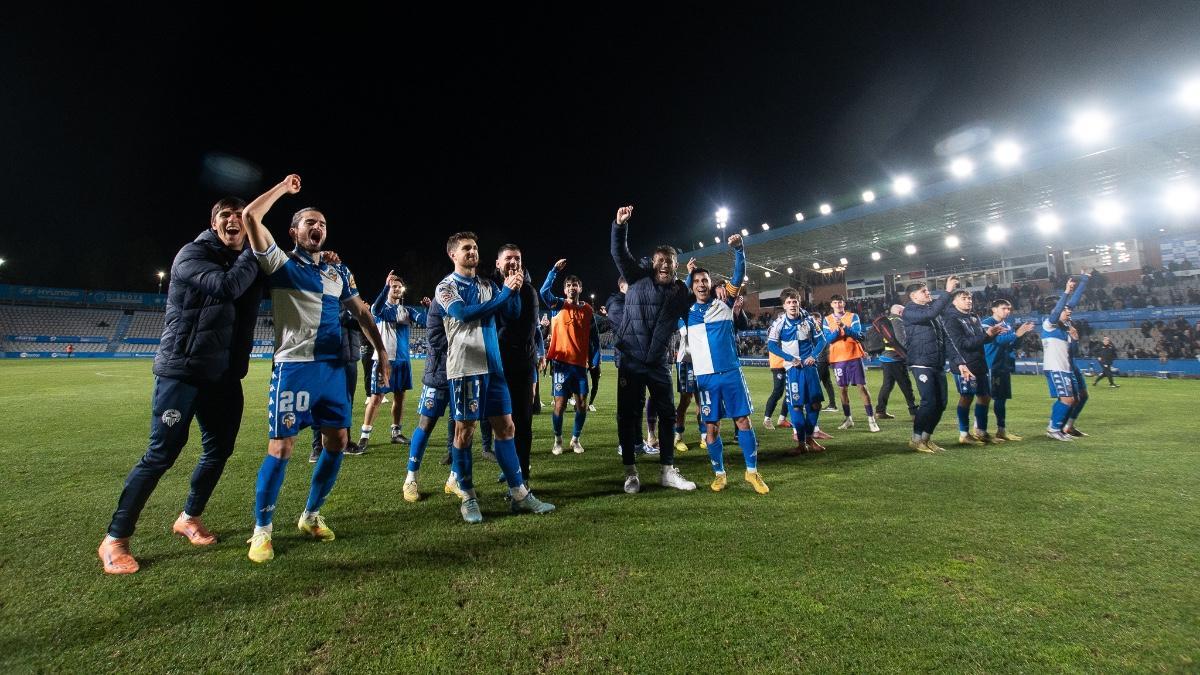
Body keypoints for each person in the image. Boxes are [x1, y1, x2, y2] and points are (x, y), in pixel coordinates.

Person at [98, 196, 264, 574]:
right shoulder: (192, 254)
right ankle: (115, 539)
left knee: (219, 451)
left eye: (242, 216)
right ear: (214, 222)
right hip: (183, 371)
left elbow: (281, 269)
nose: (235, 221)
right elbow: (225, 287)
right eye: (227, 216)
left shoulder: (246, 259)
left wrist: (323, 259)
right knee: (161, 454)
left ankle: (189, 517)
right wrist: (255, 251)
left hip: (223, 375)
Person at [241, 174, 390, 563]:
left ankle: (310, 515)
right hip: (294, 368)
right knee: (282, 447)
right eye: (310, 222)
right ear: (293, 231)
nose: (318, 227)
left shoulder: (338, 271)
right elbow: (251, 217)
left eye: (323, 223)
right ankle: (261, 531)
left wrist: (382, 353)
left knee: (338, 442)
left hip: (332, 370)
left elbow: (361, 313)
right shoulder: (279, 263)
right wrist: (282, 190)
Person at [437, 231, 554, 523]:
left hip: (494, 366)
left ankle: (519, 493)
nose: (472, 251)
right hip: (465, 367)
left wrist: (512, 289)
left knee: (507, 427)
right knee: (465, 432)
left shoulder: (489, 285)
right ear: (453, 254)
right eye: (466, 248)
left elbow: (512, 314)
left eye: (475, 247)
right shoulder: (446, 287)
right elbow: (463, 314)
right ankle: (468, 495)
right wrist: (504, 293)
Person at [610, 205, 698, 494]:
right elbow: (620, 253)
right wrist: (620, 225)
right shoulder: (637, 277)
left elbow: (696, 313)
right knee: (627, 415)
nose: (664, 265)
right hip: (632, 360)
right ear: (653, 263)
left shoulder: (680, 292)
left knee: (668, 413)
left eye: (669, 261)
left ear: (676, 265)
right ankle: (630, 472)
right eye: (660, 260)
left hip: (660, 362)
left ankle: (667, 470)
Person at [682, 234, 766, 493]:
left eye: (704, 280)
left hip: (731, 373)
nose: (701, 284)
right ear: (692, 286)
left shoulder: (725, 302)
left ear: (711, 283)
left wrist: (740, 250)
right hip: (706, 377)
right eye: (696, 281)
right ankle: (720, 474)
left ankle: (752, 473)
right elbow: (679, 292)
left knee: (743, 421)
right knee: (711, 427)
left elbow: (738, 276)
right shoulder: (686, 310)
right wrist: (687, 276)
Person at [401, 288, 461, 502]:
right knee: (425, 424)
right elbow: (436, 339)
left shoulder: (470, 296)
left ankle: (455, 479)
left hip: (462, 375)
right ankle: (410, 478)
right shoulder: (440, 299)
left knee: (461, 427)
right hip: (438, 374)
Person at [359, 272, 428, 451]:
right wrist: (385, 286)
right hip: (384, 361)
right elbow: (374, 311)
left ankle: (396, 433)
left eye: (399, 286)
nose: (397, 289)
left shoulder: (408, 311)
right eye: (393, 286)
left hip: (403, 362)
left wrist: (428, 308)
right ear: (389, 289)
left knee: (400, 398)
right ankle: (364, 436)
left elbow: (427, 321)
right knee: (376, 398)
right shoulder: (381, 308)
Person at [491, 244, 540, 481]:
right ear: (498, 263)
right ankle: (509, 466)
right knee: (500, 420)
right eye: (508, 258)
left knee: (522, 420)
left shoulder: (529, 291)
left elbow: (524, 330)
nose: (513, 262)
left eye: (517, 258)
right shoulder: (491, 289)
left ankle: (523, 468)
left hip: (520, 364)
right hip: (497, 365)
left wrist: (510, 294)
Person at [540, 258, 599, 455]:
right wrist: (553, 271)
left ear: (580, 288)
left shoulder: (588, 310)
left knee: (581, 403)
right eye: (568, 285)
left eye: (575, 284)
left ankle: (575, 439)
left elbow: (594, 337)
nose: (571, 287)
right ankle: (557, 440)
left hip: (580, 365)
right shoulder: (558, 305)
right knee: (560, 404)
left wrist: (596, 359)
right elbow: (543, 293)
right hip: (561, 364)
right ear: (564, 290)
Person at [767, 288, 830, 454]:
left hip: (809, 367)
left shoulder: (809, 320)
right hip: (793, 369)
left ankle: (809, 438)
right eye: (789, 302)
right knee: (796, 406)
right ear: (784, 306)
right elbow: (771, 345)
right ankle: (801, 443)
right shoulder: (779, 323)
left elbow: (822, 340)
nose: (792, 305)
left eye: (794, 301)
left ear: (799, 303)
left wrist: (813, 356)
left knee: (815, 404)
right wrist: (788, 357)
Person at [902, 276, 961, 453]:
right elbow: (930, 313)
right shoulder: (910, 311)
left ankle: (926, 438)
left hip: (937, 363)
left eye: (927, 290)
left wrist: (959, 361)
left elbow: (947, 338)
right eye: (924, 291)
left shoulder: (931, 312)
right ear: (913, 296)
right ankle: (916, 438)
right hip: (921, 363)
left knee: (941, 403)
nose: (928, 293)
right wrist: (948, 291)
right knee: (928, 401)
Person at [943, 290, 1006, 445]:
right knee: (966, 397)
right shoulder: (951, 319)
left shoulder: (974, 316)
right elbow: (962, 344)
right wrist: (987, 335)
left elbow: (979, 340)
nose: (968, 301)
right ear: (954, 302)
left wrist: (992, 334)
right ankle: (964, 434)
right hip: (965, 364)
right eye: (964, 298)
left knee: (985, 396)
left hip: (979, 362)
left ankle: (981, 431)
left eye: (969, 298)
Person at [1040, 272, 1091, 440]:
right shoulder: (1049, 324)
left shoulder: (1066, 325)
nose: (1069, 312)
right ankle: (1054, 429)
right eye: (1065, 310)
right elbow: (1057, 311)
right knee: (1068, 399)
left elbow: (1072, 351)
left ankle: (1062, 428)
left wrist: (1084, 281)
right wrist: (1066, 291)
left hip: (1067, 367)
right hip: (1057, 367)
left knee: (1076, 398)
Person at [309, 309, 365, 462]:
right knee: (321, 402)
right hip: (328, 359)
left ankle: (345, 441)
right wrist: (347, 314)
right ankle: (317, 446)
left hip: (350, 359)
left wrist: (361, 316)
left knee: (347, 403)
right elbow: (319, 319)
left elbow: (361, 326)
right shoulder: (327, 294)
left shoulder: (352, 299)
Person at [824, 295, 880, 432]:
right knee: (842, 389)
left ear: (844, 303)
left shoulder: (853, 316)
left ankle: (871, 420)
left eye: (840, 302)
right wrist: (839, 331)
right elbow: (829, 339)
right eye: (835, 302)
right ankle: (848, 419)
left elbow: (858, 335)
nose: (838, 305)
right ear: (831, 304)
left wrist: (844, 327)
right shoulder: (827, 320)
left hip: (854, 355)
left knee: (862, 387)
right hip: (838, 358)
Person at [981, 299, 1035, 441]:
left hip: (1003, 365)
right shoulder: (987, 323)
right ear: (994, 309)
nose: (1007, 311)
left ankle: (1001, 430)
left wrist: (1021, 335)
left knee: (1001, 399)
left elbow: (1012, 345)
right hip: (991, 365)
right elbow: (997, 340)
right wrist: (1017, 334)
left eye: (1009, 309)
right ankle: (980, 430)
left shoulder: (1007, 325)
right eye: (1004, 308)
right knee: (985, 399)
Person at [872, 304, 918, 421]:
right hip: (895, 358)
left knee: (887, 385)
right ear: (900, 312)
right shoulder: (897, 321)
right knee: (906, 385)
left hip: (886, 358)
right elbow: (902, 341)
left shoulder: (887, 320)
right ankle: (914, 412)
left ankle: (880, 411)